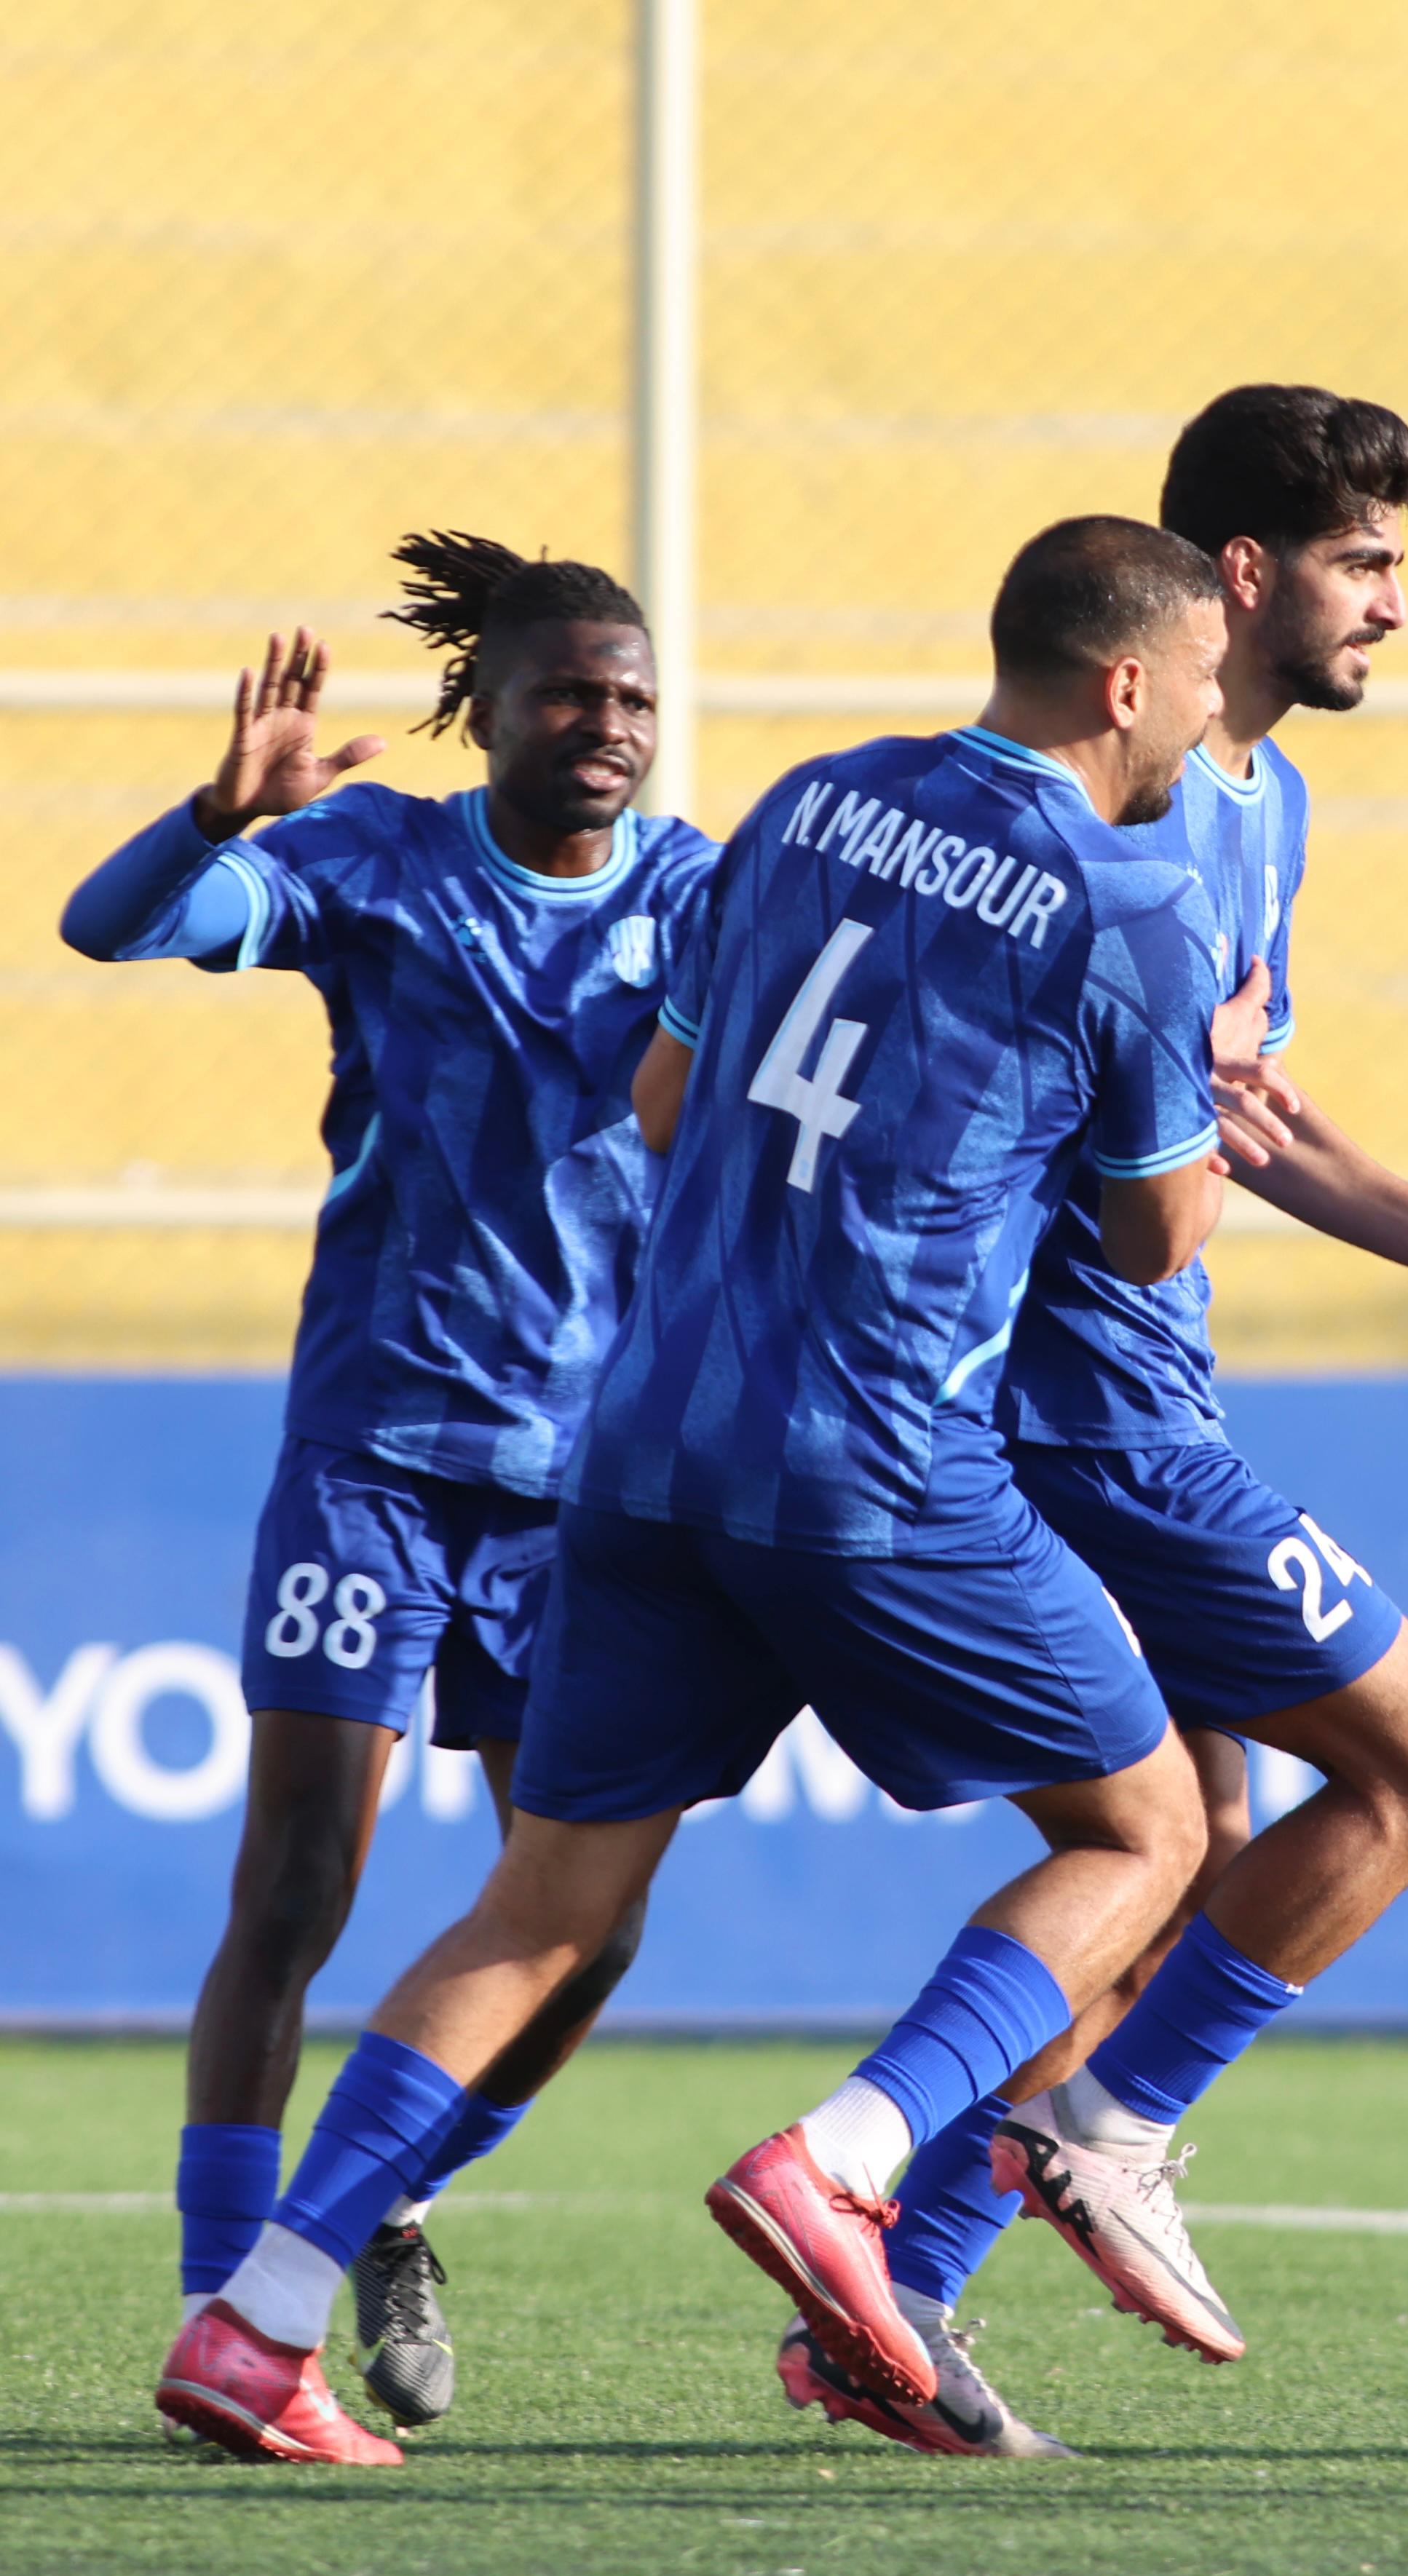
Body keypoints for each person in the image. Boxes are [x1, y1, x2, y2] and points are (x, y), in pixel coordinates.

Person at [151, 513, 1244, 2467]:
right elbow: (1158, 1241)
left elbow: (663, 1102)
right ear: (1130, 683)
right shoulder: (1133, 897)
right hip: (881, 1449)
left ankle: (260, 2315)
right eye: (1204, 680)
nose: (1215, 714)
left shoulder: (809, 808)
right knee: (1153, 1822)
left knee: (550, 1894)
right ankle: (851, 2158)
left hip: (645, 1443)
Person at [742, 384, 1408, 2459]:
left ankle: (893, 2292)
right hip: (1086, 1404)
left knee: (1184, 1851)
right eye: (1369, 565)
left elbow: (1231, 1116)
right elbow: (1134, 1144)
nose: (1399, 610)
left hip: (1113, 1382)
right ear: (1242, 580)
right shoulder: (1133, 790)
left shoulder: (1259, 804)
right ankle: (1110, 2129)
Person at [60, 541, 717, 2430]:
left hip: (586, 1488)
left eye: (634, 699)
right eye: (572, 694)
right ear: (488, 709)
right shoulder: (380, 865)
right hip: (373, 1455)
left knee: (592, 1925)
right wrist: (215, 816)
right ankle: (222, 2309)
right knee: (295, 1887)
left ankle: (388, 2191)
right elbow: (110, 928)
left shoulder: (704, 894)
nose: (608, 726)